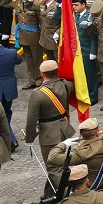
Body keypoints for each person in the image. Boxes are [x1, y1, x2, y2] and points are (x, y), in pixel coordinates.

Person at [25, 60, 75, 197]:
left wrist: (29, 138)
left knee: (53, 167)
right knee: (63, 164)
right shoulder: (66, 84)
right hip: (65, 130)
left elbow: (31, 119)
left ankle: (68, 195)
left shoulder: (38, 93)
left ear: (42, 74)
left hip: (49, 135)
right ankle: (48, 194)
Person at [7, 0, 41, 88]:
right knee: (29, 60)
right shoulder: (18, 1)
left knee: (37, 59)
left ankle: (39, 80)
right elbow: (4, 4)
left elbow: (41, 19)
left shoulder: (35, 3)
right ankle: (31, 81)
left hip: (34, 35)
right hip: (22, 34)